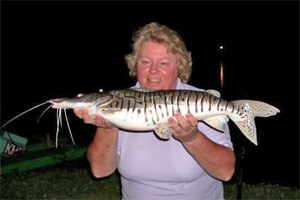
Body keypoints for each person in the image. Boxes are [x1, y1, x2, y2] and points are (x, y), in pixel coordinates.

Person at [74, 22, 235, 199]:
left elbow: (226, 172)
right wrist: (107, 128)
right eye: (145, 62)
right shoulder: (120, 101)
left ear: (179, 67)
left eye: (164, 63)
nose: (153, 71)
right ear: (134, 64)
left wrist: (191, 138)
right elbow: (100, 170)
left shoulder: (199, 101)